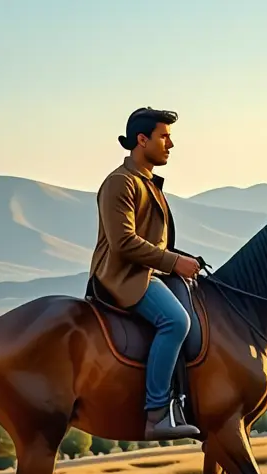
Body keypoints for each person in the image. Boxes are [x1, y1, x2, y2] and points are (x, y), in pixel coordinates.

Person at [90, 107, 203, 441]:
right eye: (164, 136)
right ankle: (157, 414)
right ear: (142, 140)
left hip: (147, 270)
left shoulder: (146, 182)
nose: (171, 144)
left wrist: (182, 259)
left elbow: (153, 240)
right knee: (176, 321)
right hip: (124, 276)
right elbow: (123, 242)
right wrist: (173, 263)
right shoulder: (119, 183)